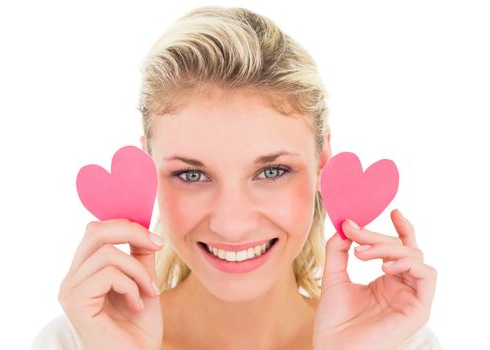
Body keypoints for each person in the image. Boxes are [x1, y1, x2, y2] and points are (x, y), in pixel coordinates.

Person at [32, 6, 442, 350]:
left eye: (272, 171)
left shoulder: (397, 341)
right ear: (147, 170)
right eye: (191, 175)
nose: (232, 223)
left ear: (323, 163)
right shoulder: (79, 340)